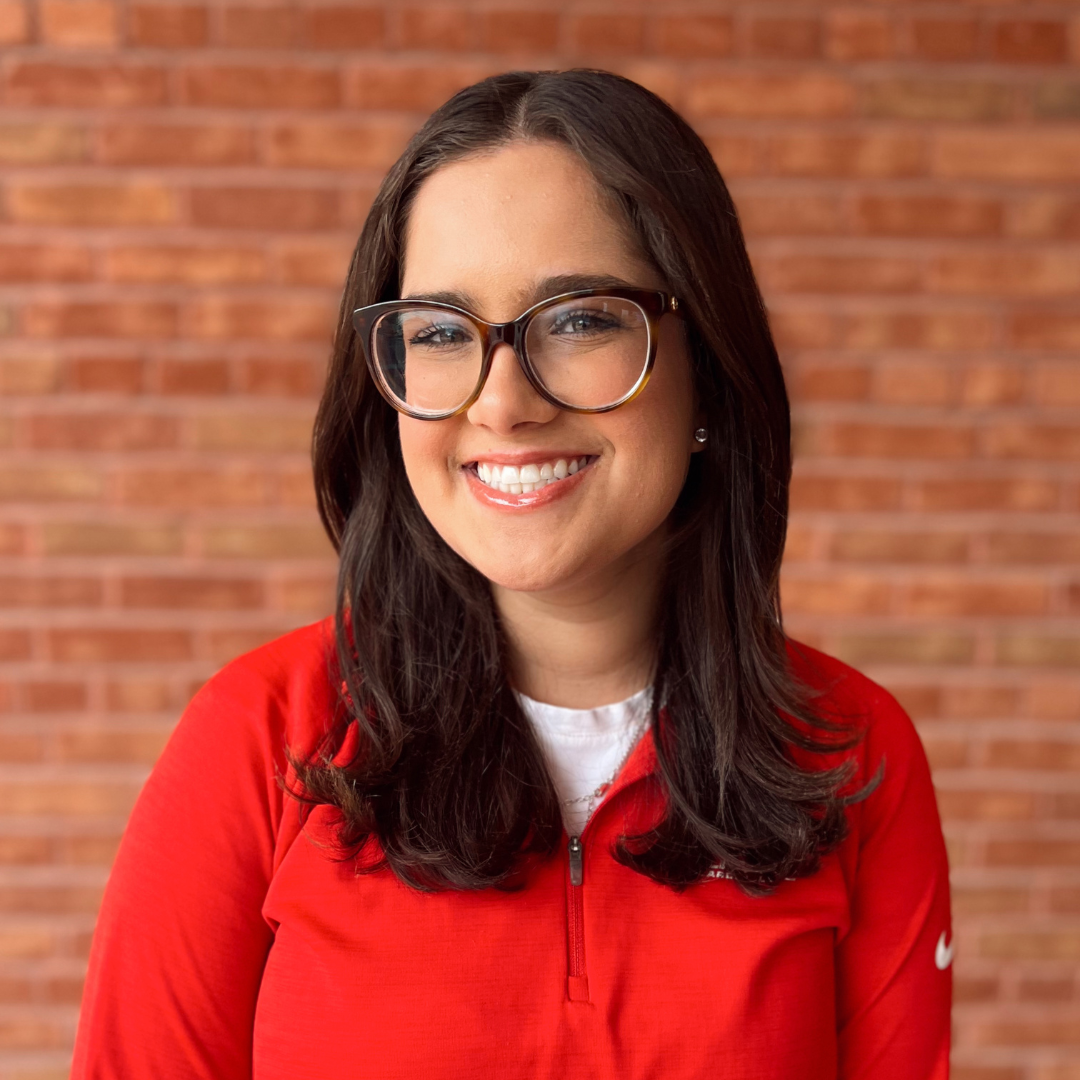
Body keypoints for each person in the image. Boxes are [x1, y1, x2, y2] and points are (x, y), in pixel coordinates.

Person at [71, 69, 951, 1079]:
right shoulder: (260, 741)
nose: (502, 404)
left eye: (578, 320)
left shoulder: (853, 757)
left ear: (707, 369)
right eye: (441, 333)